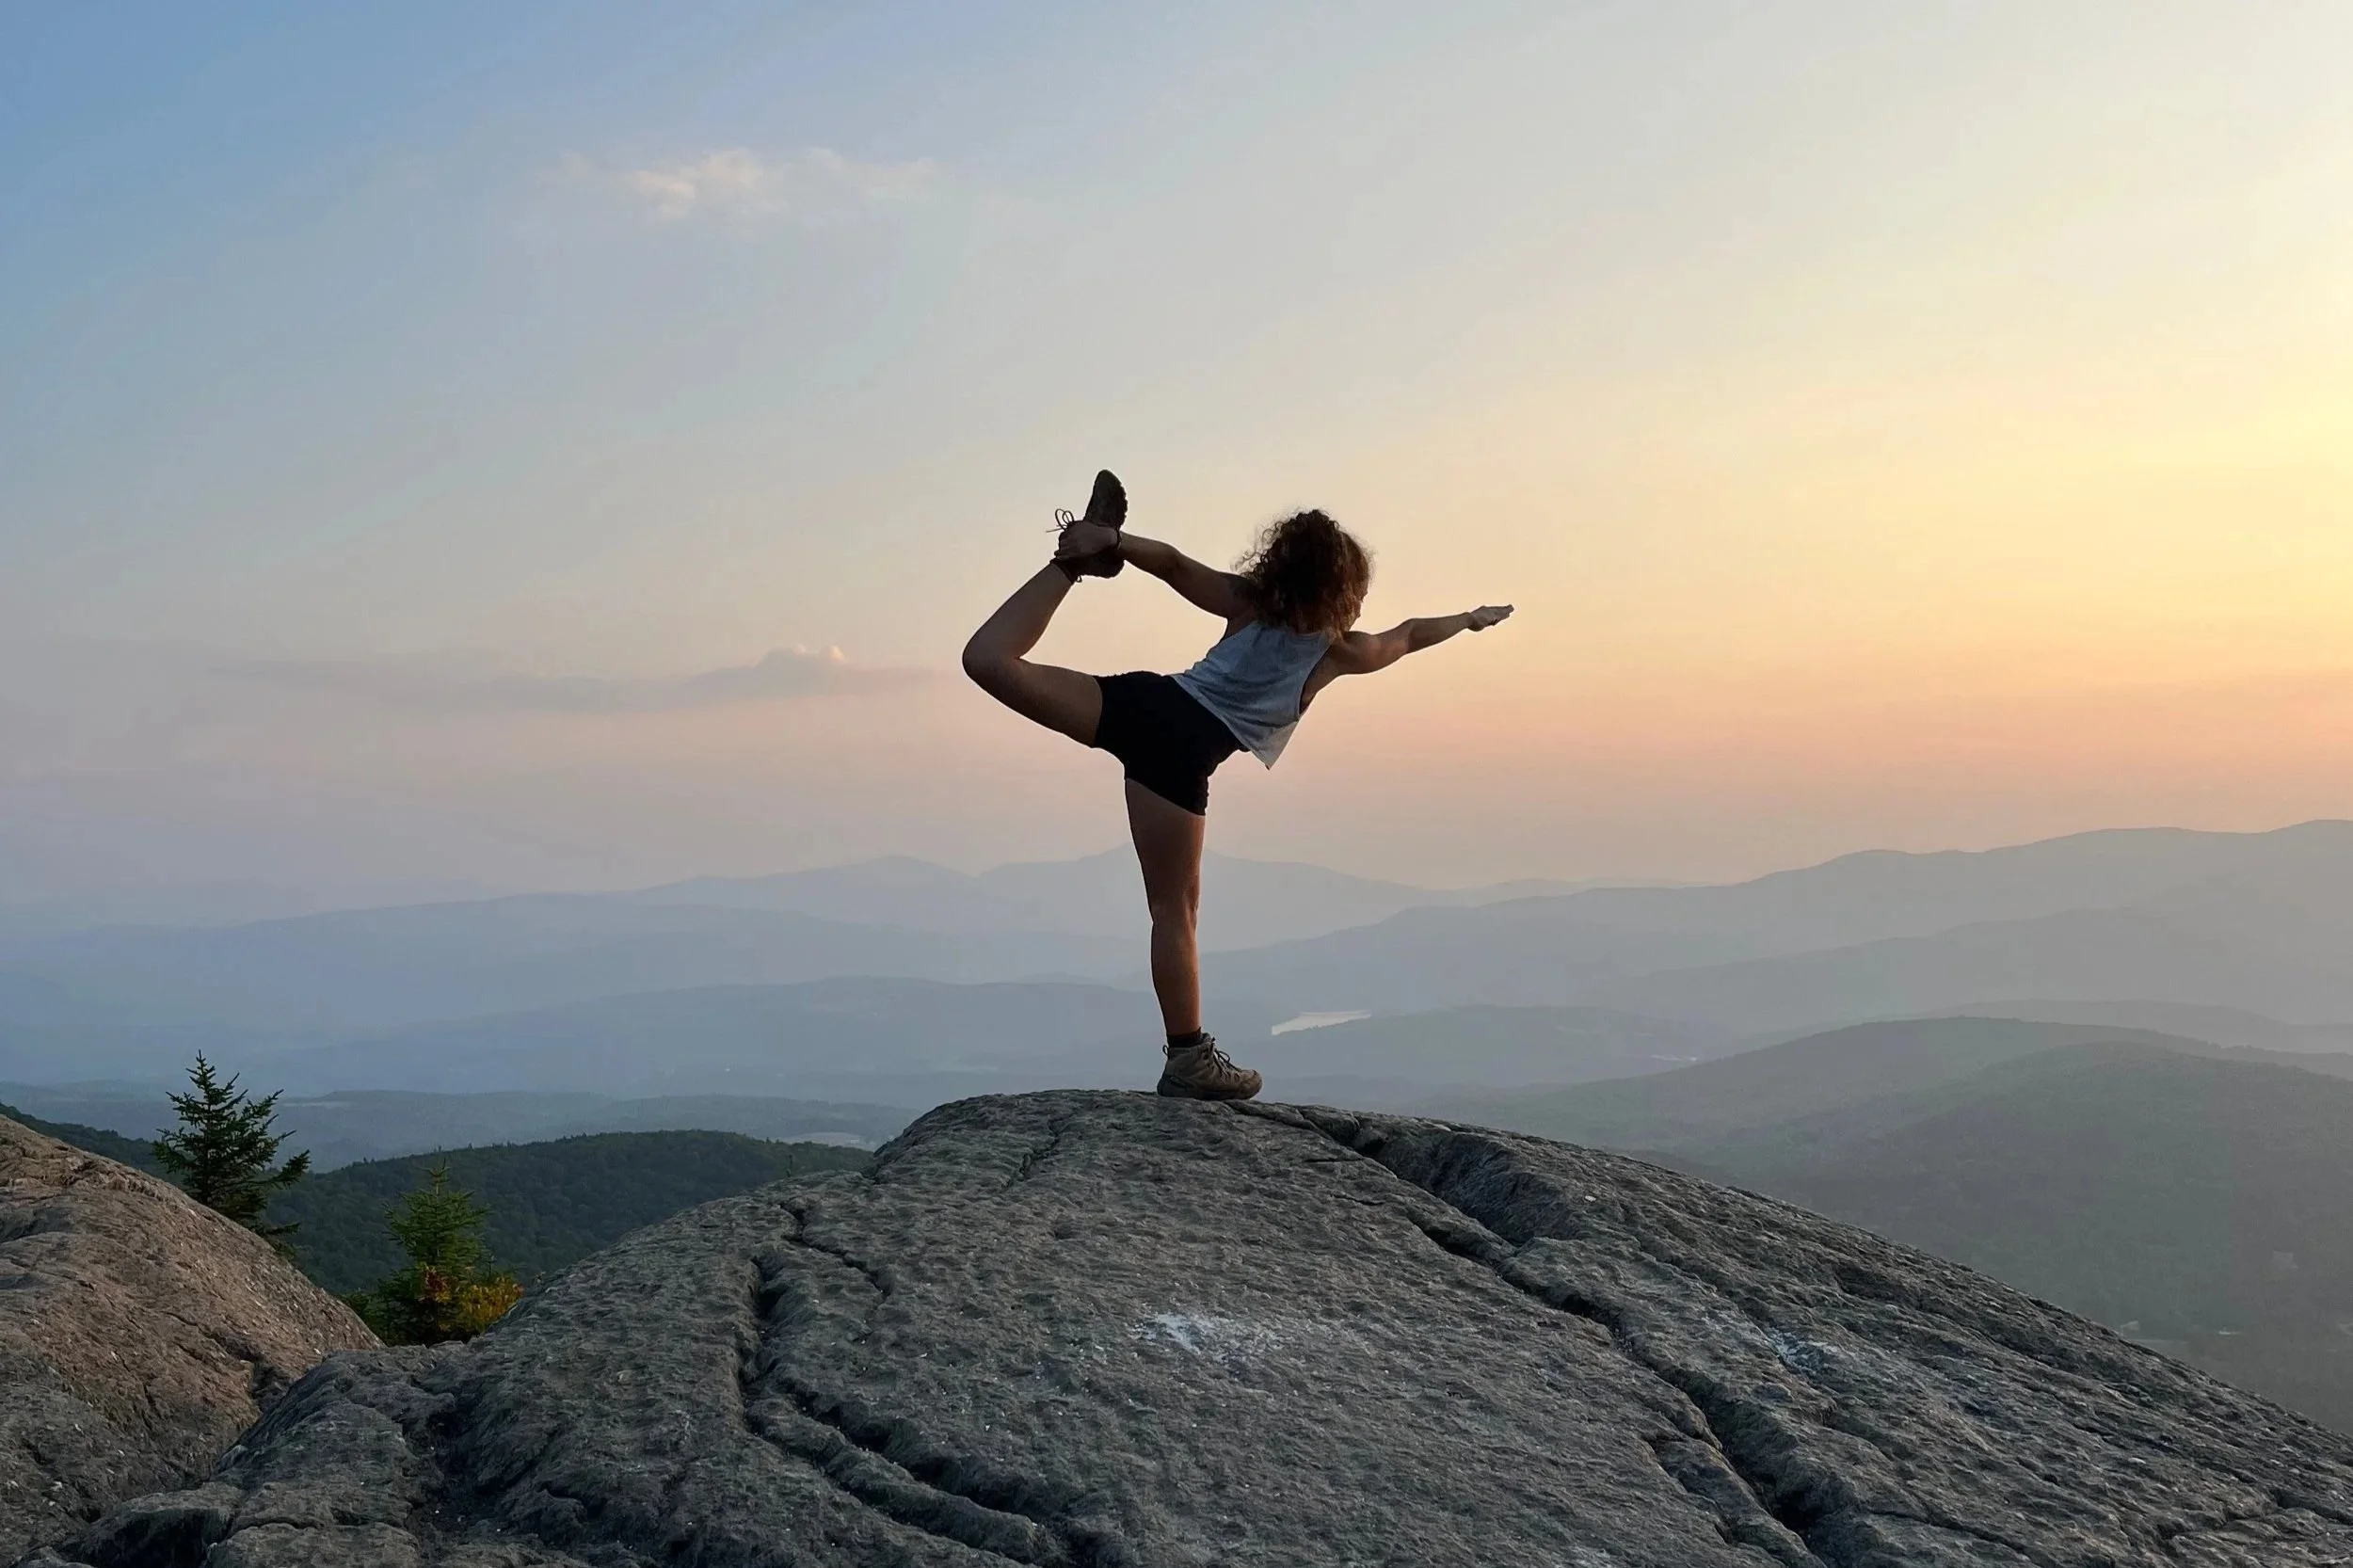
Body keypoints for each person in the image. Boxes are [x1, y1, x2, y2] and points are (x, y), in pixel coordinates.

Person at [961, 471, 1513, 1101]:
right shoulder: (1338, 651)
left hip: (1146, 702)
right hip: (1178, 751)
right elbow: (1409, 634)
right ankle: (1189, 1058)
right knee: (1175, 911)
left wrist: (1114, 541)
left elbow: (1172, 564)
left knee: (988, 660)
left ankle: (1072, 563)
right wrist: (1467, 620)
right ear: (1343, 588)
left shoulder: (1248, 602)